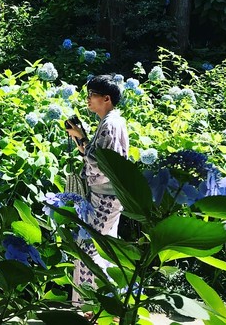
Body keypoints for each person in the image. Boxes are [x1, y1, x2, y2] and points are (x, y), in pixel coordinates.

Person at [65, 74, 129, 306]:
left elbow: (102, 163)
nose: (88, 100)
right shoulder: (113, 121)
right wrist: (83, 139)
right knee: (106, 250)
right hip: (109, 195)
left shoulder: (110, 124)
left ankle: (89, 305)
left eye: (92, 95)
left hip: (105, 196)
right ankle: (110, 305)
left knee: (88, 247)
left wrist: (84, 145)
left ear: (107, 98)